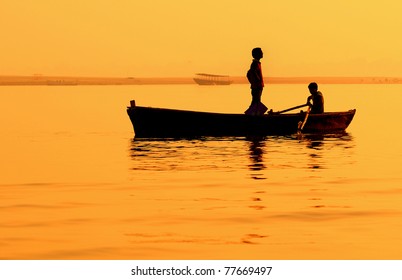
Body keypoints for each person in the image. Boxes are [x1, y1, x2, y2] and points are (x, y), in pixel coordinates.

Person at [245, 47, 267, 115]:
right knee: (255, 101)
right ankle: (250, 114)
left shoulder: (257, 63)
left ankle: (255, 114)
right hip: (256, 87)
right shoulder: (254, 64)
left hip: (258, 86)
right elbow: (251, 72)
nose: (262, 53)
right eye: (261, 52)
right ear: (257, 54)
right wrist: (257, 80)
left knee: (257, 102)